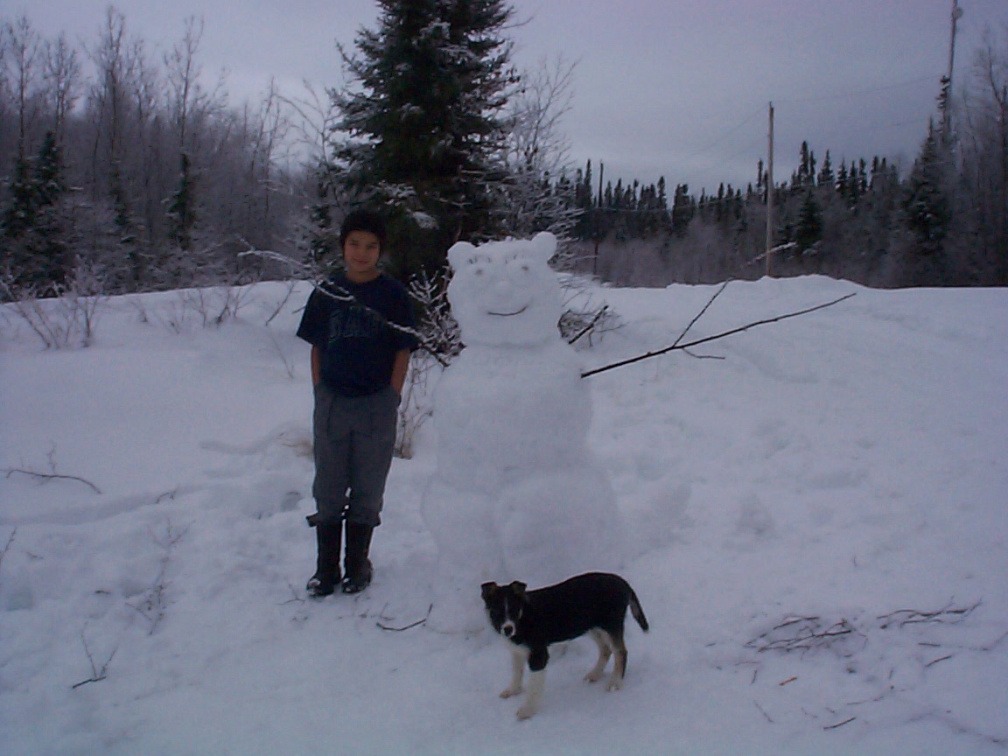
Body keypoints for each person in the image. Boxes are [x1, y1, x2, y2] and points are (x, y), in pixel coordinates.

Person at [296, 209, 417, 596]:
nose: (361, 253)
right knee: (329, 487)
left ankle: (357, 565)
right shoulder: (327, 291)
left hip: (375, 405)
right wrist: (320, 391)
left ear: (380, 250)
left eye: (370, 246)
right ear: (342, 246)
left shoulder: (394, 296)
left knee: (368, 488)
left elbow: (403, 349)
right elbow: (316, 346)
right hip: (332, 402)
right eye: (354, 244)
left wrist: (392, 396)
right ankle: (325, 569)